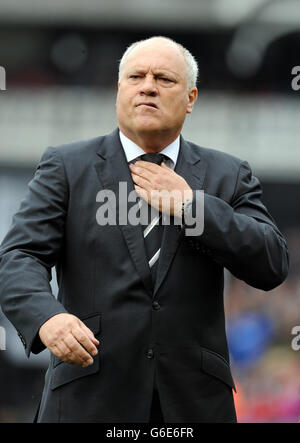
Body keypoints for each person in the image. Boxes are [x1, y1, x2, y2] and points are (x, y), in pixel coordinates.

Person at [0, 36, 289, 423]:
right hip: (87, 397)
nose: (148, 86)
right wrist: (46, 317)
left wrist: (192, 207)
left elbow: (271, 262)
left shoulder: (229, 174)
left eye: (164, 79)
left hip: (194, 404)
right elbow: (20, 256)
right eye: (136, 76)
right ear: (120, 90)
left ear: (190, 98)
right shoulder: (67, 166)